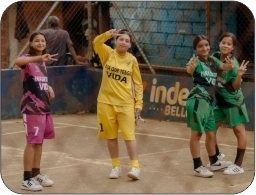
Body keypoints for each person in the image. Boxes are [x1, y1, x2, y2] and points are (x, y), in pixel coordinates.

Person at [93, 29, 143, 180]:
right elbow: (96, 42)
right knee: (111, 136)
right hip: (105, 103)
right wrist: (108, 34)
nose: (123, 42)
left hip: (126, 104)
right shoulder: (108, 53)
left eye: (127, 41)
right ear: (116, 41)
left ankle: (135, 167)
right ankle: (116, 167)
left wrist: (138, 103)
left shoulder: (132, 60)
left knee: (129, 136)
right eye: (121, 39)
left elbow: (138, 83)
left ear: (130, 45)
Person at [186, 35, 234, 178]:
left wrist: (230, 65)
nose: (204, 48)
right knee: (197, 134)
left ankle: (214, 161)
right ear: (196, 49)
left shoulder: (212, 60)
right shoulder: (195, 61)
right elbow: (189, 69)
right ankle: (197, 166)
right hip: (197, 100)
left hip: (209, 103)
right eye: (200, 46)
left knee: (211, 132)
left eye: (206, 45)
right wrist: (190, 68)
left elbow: (223, 66)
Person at [15, 31, 57, 191]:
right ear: (31, 43)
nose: (40, 43)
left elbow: (38, 80)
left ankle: (35, 174)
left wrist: (49, 87)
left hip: (44, 107)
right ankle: (26, 179)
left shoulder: (43, 62)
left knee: (39, 142)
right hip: (31, 107)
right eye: (37, 41)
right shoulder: (28, 59)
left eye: (43, 41)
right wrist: (38, 58)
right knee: (32, 142)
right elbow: (17, 61)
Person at [211, 32, 249, 174]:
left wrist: (238, 75)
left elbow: (236, 87)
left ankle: (238, 165)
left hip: (233, 102)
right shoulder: (214, 56)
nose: (225, 45)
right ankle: (217, 157)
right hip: (219, 102)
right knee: (210, 128)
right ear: (219, 43)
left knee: (239, 131)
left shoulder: (234, 65)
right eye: (223, 42)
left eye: (229, 44)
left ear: (232, 47)